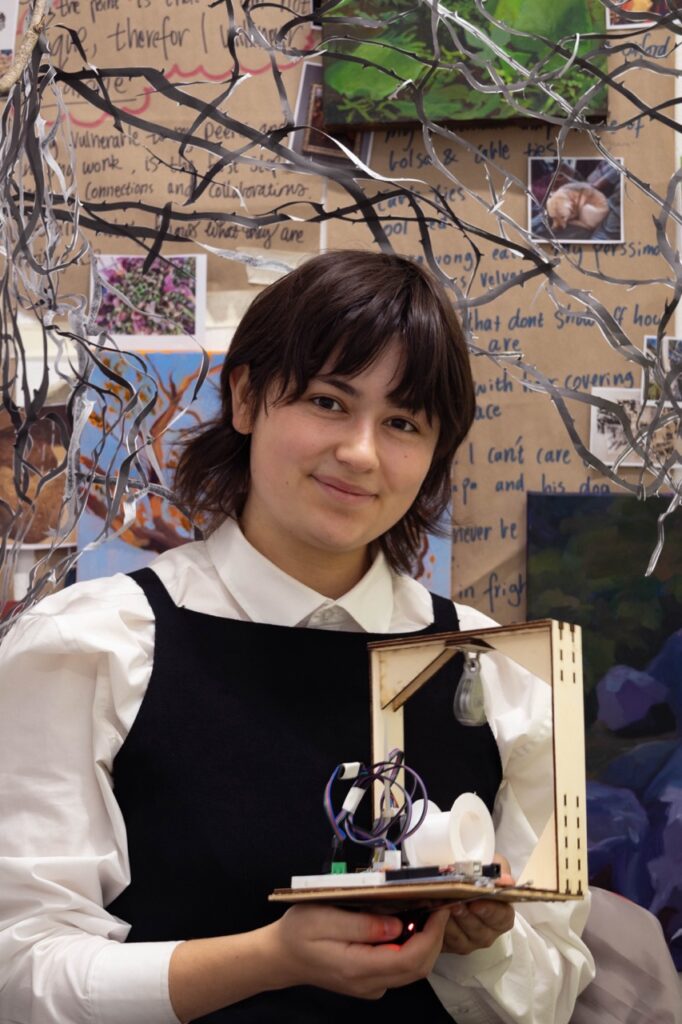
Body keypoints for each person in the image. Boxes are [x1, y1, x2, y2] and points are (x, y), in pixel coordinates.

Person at [0, 250, 595, 1024]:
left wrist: (481, 946)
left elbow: (555, 984)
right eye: (327, 401)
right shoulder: (89, 644)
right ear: (246, 397)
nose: (360, 452)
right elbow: (22, 971)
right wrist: (269, 958)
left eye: (403, 423)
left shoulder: (508, 672)